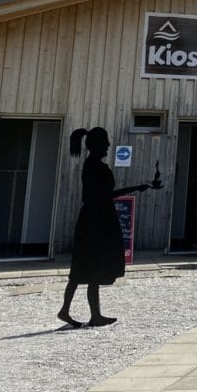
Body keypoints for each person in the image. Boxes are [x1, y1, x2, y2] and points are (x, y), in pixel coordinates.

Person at [58, 127, 161, 328]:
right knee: (92, 265)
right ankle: (88, 314)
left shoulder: (90, 166)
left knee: (82, 267)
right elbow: (106, 195)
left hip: (91, 217)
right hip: (99, 220)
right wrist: (136, 188)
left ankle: (75, 311)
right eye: (105, 143)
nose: (108, 146)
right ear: (98, 145)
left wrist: (136, 187)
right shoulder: (97, 168)